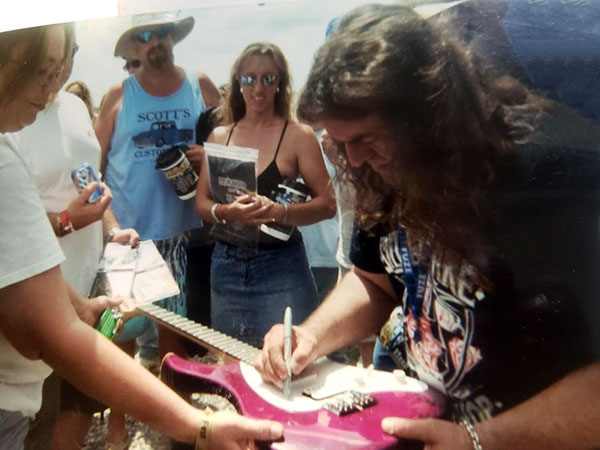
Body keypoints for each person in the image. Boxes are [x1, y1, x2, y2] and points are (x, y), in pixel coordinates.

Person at [255, 4, 600, 449]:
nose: (353, 160)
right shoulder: (384, 169)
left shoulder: (549, 175)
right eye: (338, 142)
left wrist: (480, 441)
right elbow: (375, 283)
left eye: (364, 138)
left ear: (427, 115)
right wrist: (310, 336)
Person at [0, 24, 283, 450]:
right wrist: (199, 427)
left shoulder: (73, 111)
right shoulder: (13, 160)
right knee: (119, 344)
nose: (53, 81)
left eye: (62, 63)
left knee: (163, 347)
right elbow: (49, 334)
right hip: (13, 387)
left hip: (156, 247)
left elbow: (27, 261)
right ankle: (136, 431)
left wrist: (80, 296)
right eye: (42, 68)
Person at [6, 23, 141, 450]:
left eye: (70, 53)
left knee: (78, 414)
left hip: (82, 295)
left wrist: (112, 228)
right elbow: (13, 227)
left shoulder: (74, 108)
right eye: (45, 64)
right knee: (35, 425)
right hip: (34, 313)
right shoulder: (11, 120)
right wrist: (66, 220)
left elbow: (91, 182)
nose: (61, 70)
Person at [94, 11, 221, 445]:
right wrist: (109, 225)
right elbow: (92, 171)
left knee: (174, 339)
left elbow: (232, 147)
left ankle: (171, 428)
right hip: (129, 236)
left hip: (183, 235)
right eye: (144, 37)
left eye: (161, 32)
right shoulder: (118, 95)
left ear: (173, 37)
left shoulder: (199, 87)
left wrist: (210, 157)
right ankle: (115, 428)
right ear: (133, 48)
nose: (155, 42)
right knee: (120, 338)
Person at [195, 42, 336, 348]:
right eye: (249, 79)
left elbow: (327, 205)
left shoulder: (299, 135)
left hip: (280, 266)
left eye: (267, 78)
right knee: (233, 360)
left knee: (291, 360)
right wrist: (225, 212)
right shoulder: (221, 135)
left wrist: (279, 212)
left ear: (280, 84)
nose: (257, 87)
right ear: (238, 83)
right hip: (227, 266)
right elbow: (201, 203)